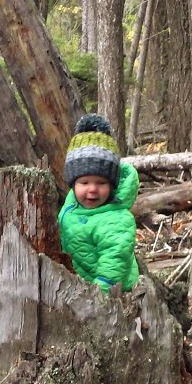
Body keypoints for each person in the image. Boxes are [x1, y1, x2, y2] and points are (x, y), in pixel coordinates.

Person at [59, 114, 139, 293]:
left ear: (112, 185)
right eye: (84, 182)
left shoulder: (117, 219)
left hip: (110, 293)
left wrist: (99, 292)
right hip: (78, 286)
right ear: (73, 183)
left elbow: (115, 259)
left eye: (101, 183)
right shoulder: (71, 204)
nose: (92, 189)